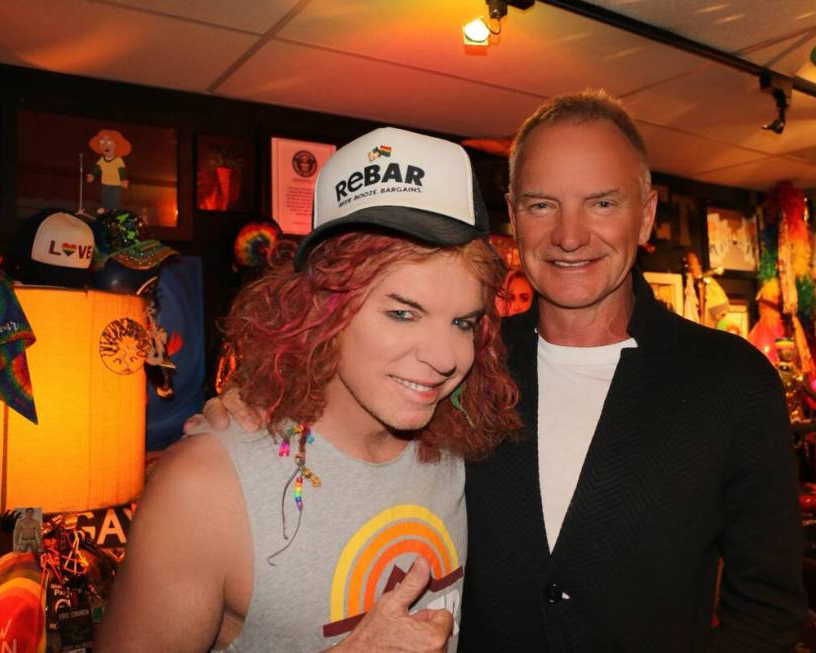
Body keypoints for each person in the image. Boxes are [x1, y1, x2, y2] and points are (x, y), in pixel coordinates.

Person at [198, 90, 808, 651]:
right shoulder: (463, 364)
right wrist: (255, 410)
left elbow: (768, 614)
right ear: (513, 215)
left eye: (601, 202)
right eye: (543, 204)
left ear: (645, 216)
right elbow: (354, 410)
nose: (570, 235)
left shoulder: (733, 383)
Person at [99, 127, 520, 652]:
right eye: (402, 312)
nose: (444, 358)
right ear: (323, 307)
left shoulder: (460, 446)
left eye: (462, 323)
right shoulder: (205, 487)